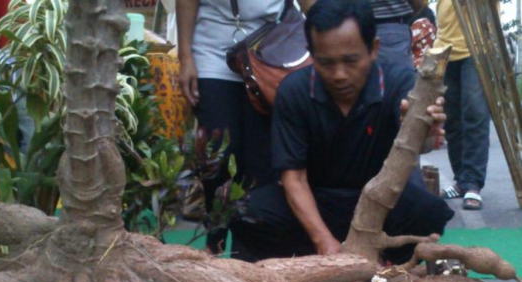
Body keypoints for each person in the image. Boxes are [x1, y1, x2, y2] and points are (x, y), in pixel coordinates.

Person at [230, 0, 454, 263]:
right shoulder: (294, 92)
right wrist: (325, 242)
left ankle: (398, 273)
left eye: (351, 61)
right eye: (326, 62)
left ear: (374, 49)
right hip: (316, 202)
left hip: (381, 205)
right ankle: (288, 273)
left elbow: (423, 143)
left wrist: (423, 128)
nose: (339, 74)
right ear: (310, 54)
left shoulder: (398, 83)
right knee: (249, 214)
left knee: (429, 212)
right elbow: (294, 179)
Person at [177, 0, 281, 252]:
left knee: (260, 160)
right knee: (220, 153)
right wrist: (185, 57)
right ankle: (216, 242)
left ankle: (250, 251)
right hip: (212, 51)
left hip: (272, 50)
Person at [434, 0, 494, 210]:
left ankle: (473, 183)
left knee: (475, 113)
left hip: (475, 47)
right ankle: (462, 180)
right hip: (444, 48)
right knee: (451, 118)